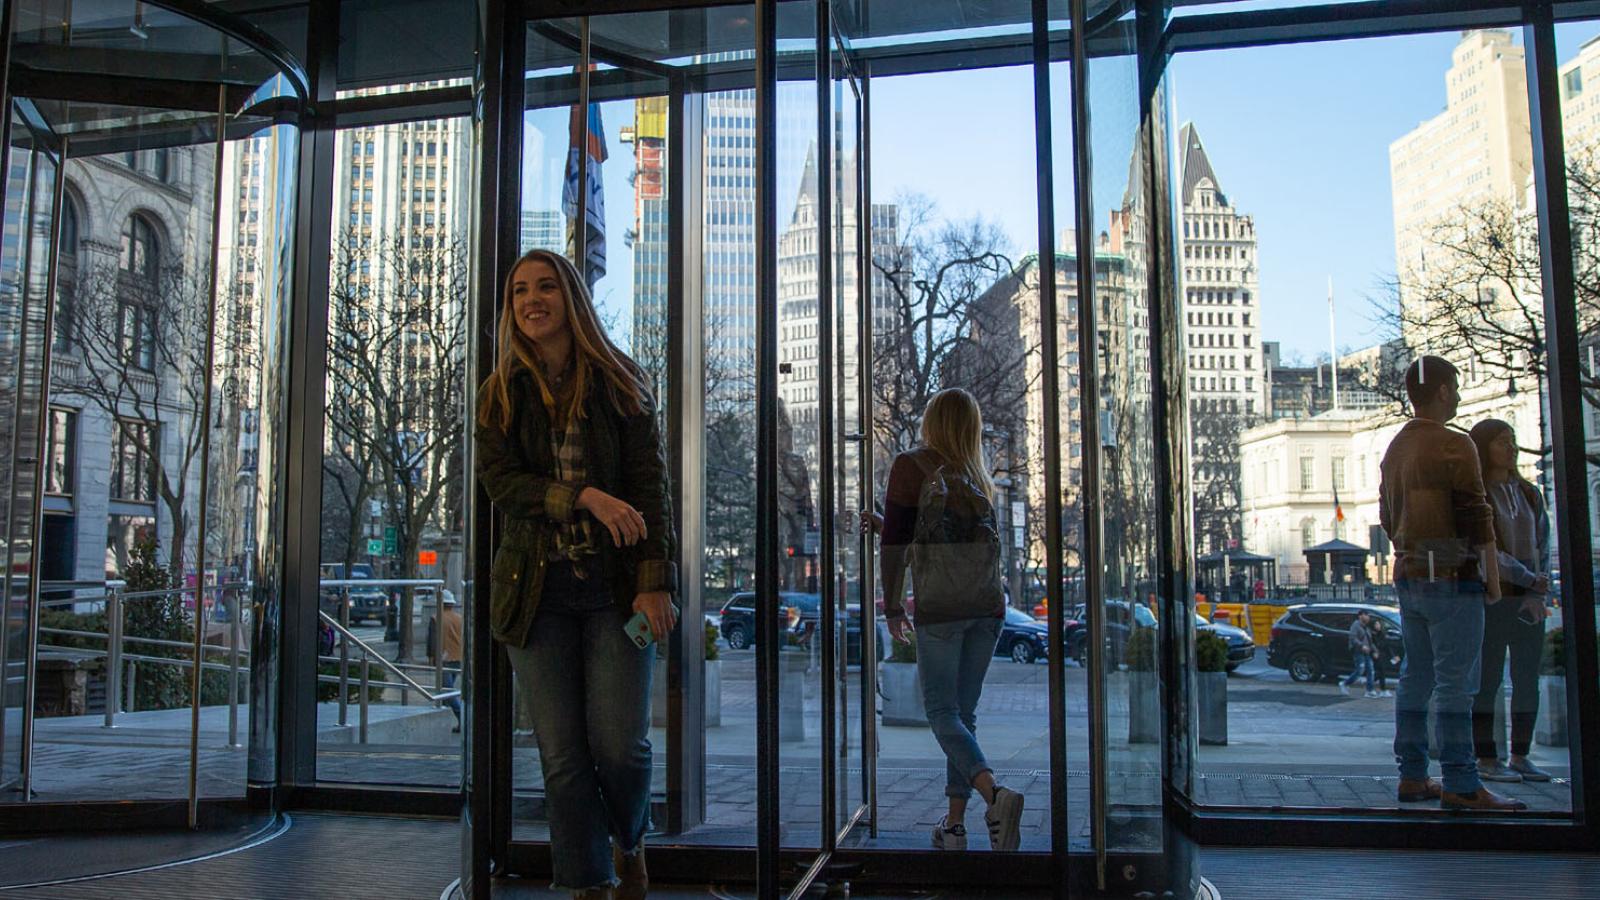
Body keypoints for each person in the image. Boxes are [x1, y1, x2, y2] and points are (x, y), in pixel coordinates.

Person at [475, 249, 677, 900]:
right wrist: (584, 497)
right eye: (518, 292)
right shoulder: (501, 389)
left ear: (571, 300)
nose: (531, 300)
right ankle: (588, 884)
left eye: (545, 288)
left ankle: (630, 841)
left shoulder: (621, 381)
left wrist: (656, 581)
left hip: (616, 591)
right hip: (534, 595)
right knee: (562, 758)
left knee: (622, 747)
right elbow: (502, 486)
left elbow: (652, 490)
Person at [871, 388, 1026, 852]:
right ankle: (955, 827)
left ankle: (994, 796)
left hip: (941, 611)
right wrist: (885, 523)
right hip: (988, 610)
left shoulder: (910, 465)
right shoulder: (976, 475)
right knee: (963, 716)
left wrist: (894, 604)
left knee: (941, 712)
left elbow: (896, 547)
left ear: (931, 421)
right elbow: (944, 540)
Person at [1379, 356, 1523, 812]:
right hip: (1454, 578)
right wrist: (1494, 580)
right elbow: (1476, 515)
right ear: (1442, 391)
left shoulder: (1395, 448)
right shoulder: (1455, 445)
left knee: (1415, 679)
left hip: (1410, 576)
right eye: (1455, 387)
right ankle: (1462, 781)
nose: (1459, 395)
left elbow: (1387, 516)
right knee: (1457, 684)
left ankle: (1413, 776)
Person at [1468, 419, 1553, 785]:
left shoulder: (1529, 493)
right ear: (1484, 448)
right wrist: (1529, 579)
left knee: (1526, 679)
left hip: (1527, 597)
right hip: (1493, 596)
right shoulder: (1478, 495)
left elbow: (1543, 545)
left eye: (1513, 441)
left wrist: (1537, 590)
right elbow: (1486, 551)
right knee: (1487, 680)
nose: (1511, 448)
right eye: (1502, 442)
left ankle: (1520, 755)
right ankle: (1487, 757)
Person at [438, 591, 463, 733]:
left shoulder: (437, 618)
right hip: (458, 657)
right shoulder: (459, 618)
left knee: (447, 691)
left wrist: (432, 659)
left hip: (444, 659)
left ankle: (461, 717)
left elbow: (432, 642)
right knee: (448, 688)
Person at [1339, 609, 1379, 698]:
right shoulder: (1356, 625)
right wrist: (1362, 646)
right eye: (1366, 615)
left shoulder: (1366, 627)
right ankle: (1345, 683)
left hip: (1367, 651)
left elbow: (1370, 641)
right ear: (1360, 616)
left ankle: (1370, 690)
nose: (1368, 617)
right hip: (1358, 651)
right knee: (1360, 670)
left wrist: (1375, 650)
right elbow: (1353, 638)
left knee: (1370, 670)